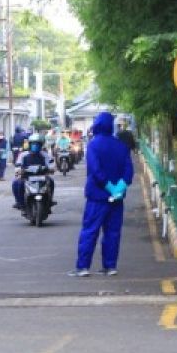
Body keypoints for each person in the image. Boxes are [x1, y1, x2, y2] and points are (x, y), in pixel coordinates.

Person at [71, 112, 134, 277]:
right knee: (113, 232)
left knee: (90, 231)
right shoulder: (121, 146)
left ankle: (83, 267)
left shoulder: (93, 145)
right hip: (117, 198)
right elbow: (128, 171)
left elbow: (95, 170)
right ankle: (110, 266)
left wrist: (108, 186)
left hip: (97, 196)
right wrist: (118, 188)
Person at [11, 131, 57, 213]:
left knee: (51, 181)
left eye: (37, 144)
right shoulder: (23, 155)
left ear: (41, 145)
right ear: (29, 144)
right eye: (33, 144)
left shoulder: (45, 155)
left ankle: (49, 201)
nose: (35, 146)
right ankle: (20, 203)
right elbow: (17, 165)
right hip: (26, 177)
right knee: (16, 183)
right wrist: (19, 170)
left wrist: (51, 169)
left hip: (42, 177)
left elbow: (51, 164)